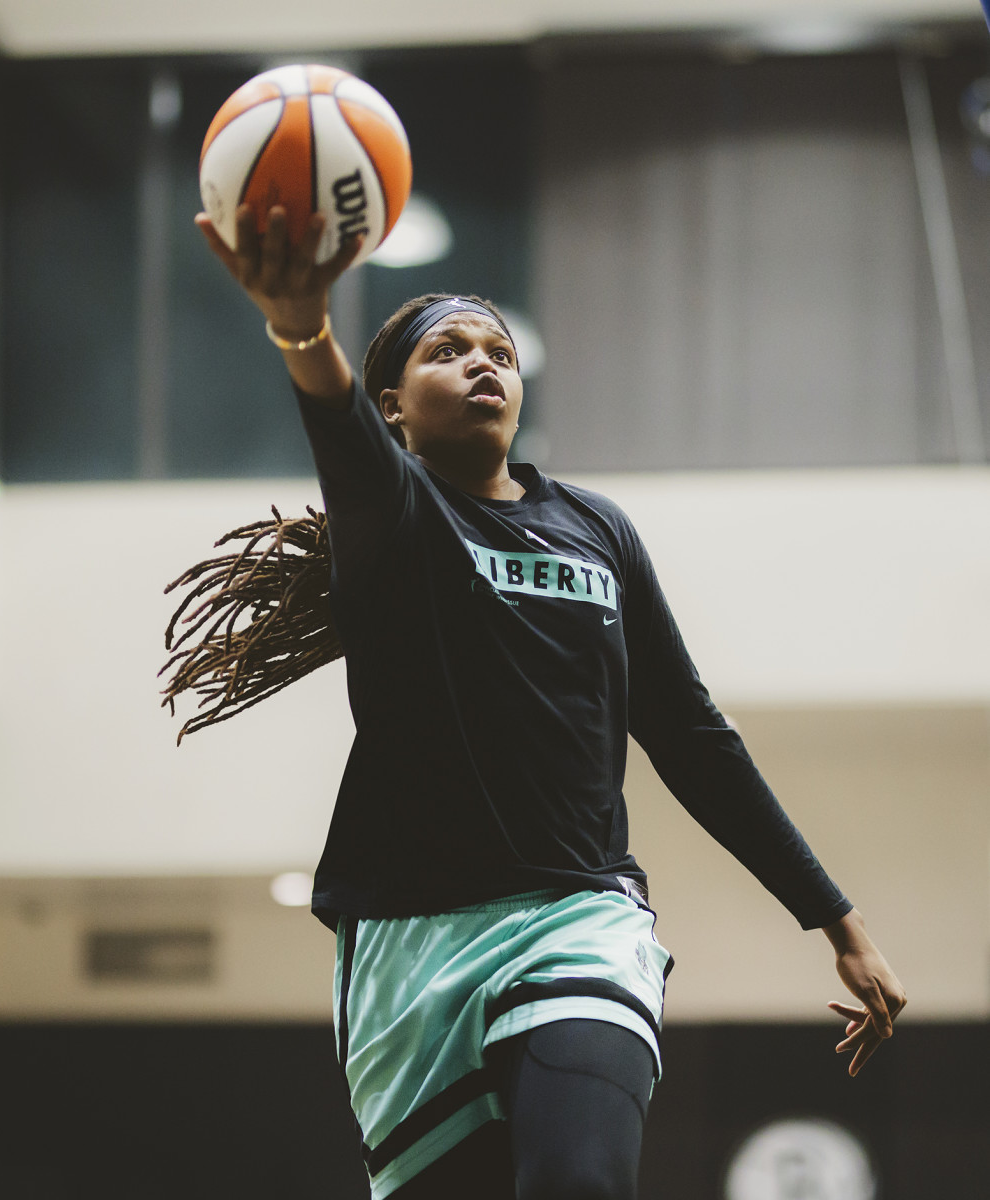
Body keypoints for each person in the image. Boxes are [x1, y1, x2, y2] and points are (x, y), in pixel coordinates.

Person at [190, 203, 907, 1200]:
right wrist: (301, 321)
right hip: (410, 941)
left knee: (578, 1180)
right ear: (393, 404)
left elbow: (692, 735)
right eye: (448, 351)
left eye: (499, 351)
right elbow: (338, 427)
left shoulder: (595, 530)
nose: (485, 363)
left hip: (578, 918)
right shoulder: (392, 516)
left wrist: (837, 920)